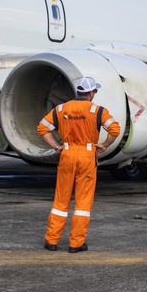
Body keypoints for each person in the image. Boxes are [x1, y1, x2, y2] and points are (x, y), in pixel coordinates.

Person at [38, 76, 121, 253]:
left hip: (67, 154)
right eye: (95, 92)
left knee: (61, 200)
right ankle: (76, 244)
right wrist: (104, 146)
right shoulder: (97, 111)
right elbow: (115, 129)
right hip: (87, 155)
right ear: (91, 93)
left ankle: (52, 240)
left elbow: (42, 128)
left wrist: (57, 146)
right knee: (83, 202)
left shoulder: (61, 109)